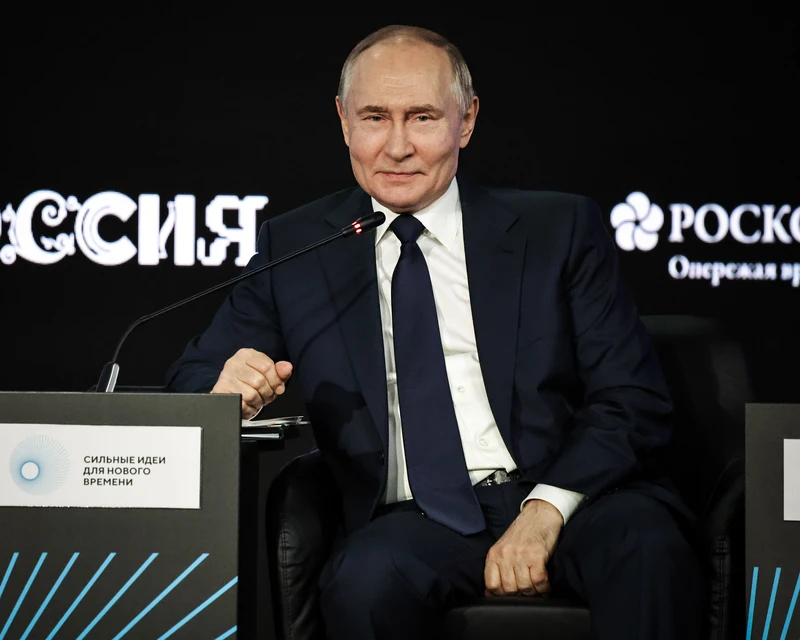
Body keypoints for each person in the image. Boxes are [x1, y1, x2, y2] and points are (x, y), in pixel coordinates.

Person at [164, 24, 703, 640]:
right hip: (417, 520)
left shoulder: (558, 230)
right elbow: (193, 379)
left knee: (649, 549)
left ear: (465, 121)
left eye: (422, 117)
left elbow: (632, 399)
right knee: (363, 582)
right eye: (374, 118)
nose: (397, 147)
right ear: (343, 122)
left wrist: (544, 510)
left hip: (576, 499)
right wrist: (225, 388)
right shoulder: (298, 248)